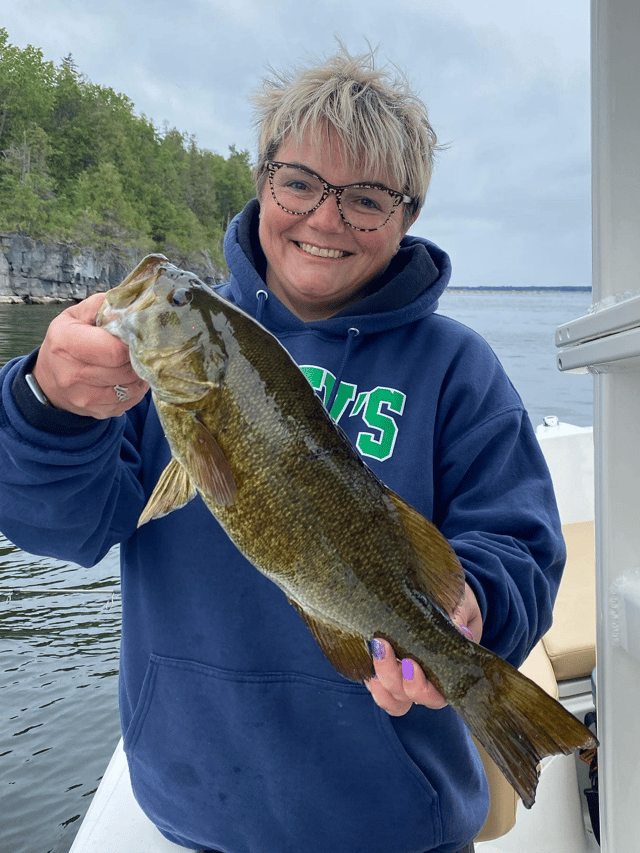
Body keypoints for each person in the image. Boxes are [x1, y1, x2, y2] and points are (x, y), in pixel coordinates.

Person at [0, 45, 565, 853]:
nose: (325, 218)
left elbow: (519, 543)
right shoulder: (144, 378)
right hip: (193, 811)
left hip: (392, 825)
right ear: (263, 181)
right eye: (299, 182)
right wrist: (46, 404)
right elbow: (61, 525)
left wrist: (476, 605)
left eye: (365, 198)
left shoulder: (459, 369)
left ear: (406, 216)